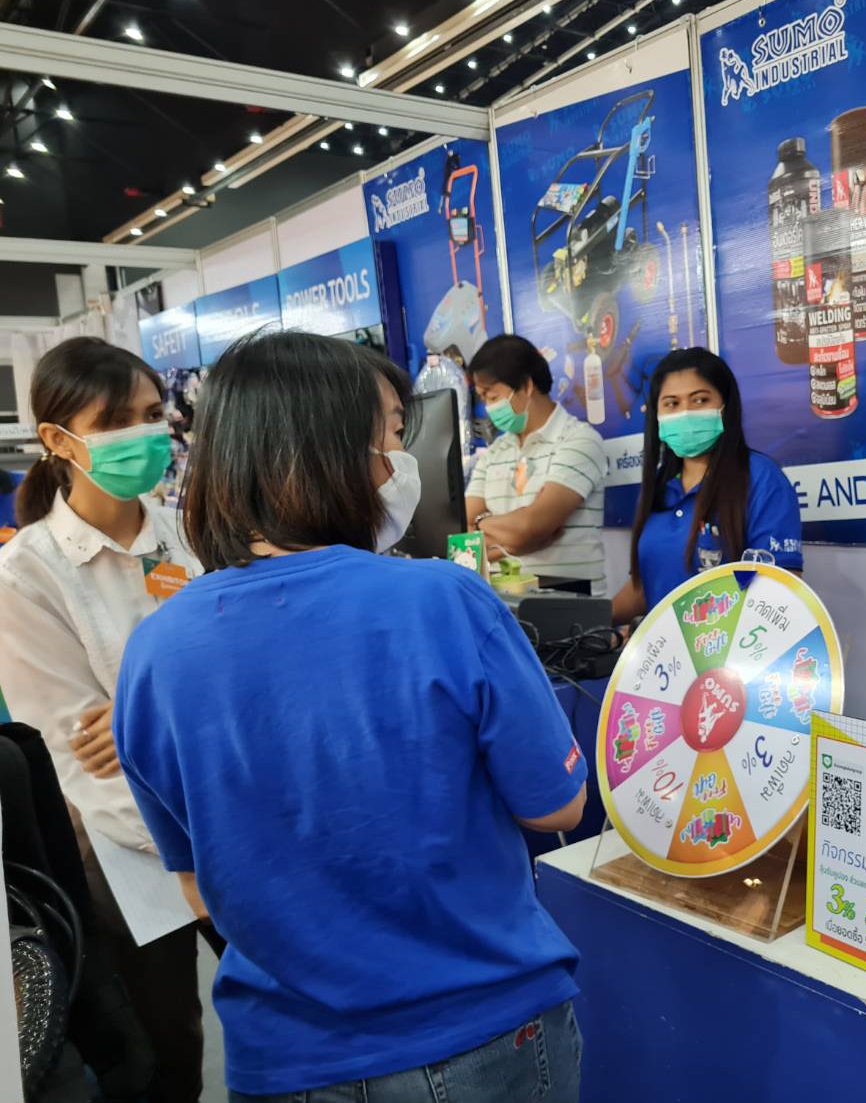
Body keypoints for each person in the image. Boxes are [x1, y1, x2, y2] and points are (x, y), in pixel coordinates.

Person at [112, 331, 587, 1101]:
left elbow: (199, 884)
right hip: (478, 1026)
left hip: (286, 1054)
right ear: (332, 448)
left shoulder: (155, 650)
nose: (401, 459)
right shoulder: (443, 600)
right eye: (394, 432)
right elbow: (556, 805)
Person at [0, 337, 213, 1102]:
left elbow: (243, 685)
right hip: (126, 849)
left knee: (289, 1004)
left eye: (152, 414)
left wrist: (136, 717)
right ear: (58, 440)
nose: (144, 434)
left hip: (236, 819)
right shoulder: (26, 573)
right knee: (167, 1050)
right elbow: (74, 746)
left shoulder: (198, 532)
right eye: (116, 421)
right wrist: (185, 712)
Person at [614, 348, 802, 625]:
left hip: (731, 648)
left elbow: (779, 590)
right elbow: (644, 589)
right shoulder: (657, 486)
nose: (685, 413)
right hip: (663, 650)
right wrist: (583, 624)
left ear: (725, 405)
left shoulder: (761, 478)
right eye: (671, 404)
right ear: (657, 414)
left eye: (700, 400)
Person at [464, 334, 608, 594]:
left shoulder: (579, 440)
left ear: (526, 386)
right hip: (502, 604)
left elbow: (532, 526)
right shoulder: (494, 452)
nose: (488, 408)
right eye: (483, 399)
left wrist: (483, 522)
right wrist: (516, 542)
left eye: (492, 397)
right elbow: (463, 534)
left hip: (571, 606)